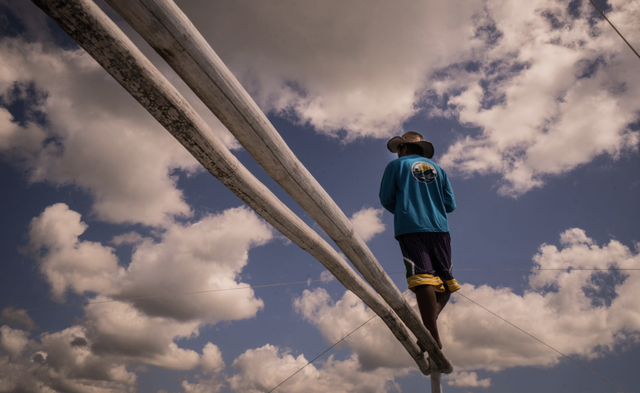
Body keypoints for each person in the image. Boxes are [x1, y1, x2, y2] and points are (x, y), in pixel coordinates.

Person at [379, 131, 460, 350]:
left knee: (422, 278)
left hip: (410, 228)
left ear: (403, 148)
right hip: (440, 229)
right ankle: (430, 330)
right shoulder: (439, 170)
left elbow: (386, 199)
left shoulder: (395, 167)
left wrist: (406, 210)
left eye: (398, 149)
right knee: (446, 284)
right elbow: (450, 205)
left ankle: (430, 334)